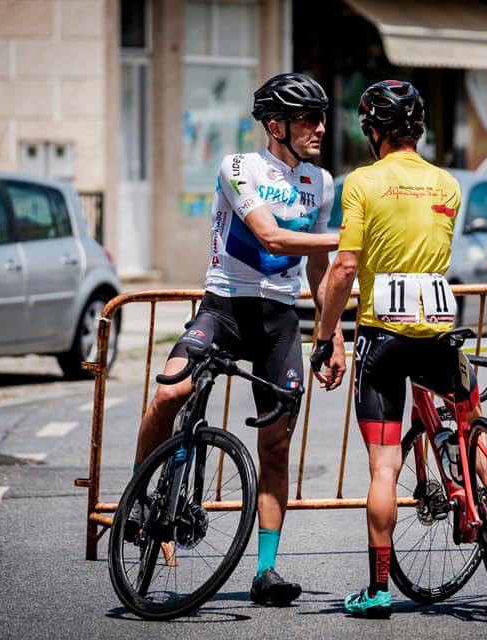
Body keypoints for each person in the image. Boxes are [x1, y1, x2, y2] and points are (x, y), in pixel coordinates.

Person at [133, 72, 345, 606]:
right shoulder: (238, 167)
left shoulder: (321, 183)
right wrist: (356, 236)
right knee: (169, 395)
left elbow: (317, 269)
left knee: (276, 447)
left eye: (322, 117)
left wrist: (332, 333)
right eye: (308, 119)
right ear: (276, 125)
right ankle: (138, 500)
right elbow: (271, 235)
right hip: (225, 307)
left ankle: (266, 572)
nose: (321, 127)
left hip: (278, 318)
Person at [311, 80, 487, 618]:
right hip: (438, 332)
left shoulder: (362, 183)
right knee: (468, 416)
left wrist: (325, 338)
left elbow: (345, 267)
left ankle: (377, 591)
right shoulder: (447, 184)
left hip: (383, 337)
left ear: (373, 132)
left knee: (384, 468)